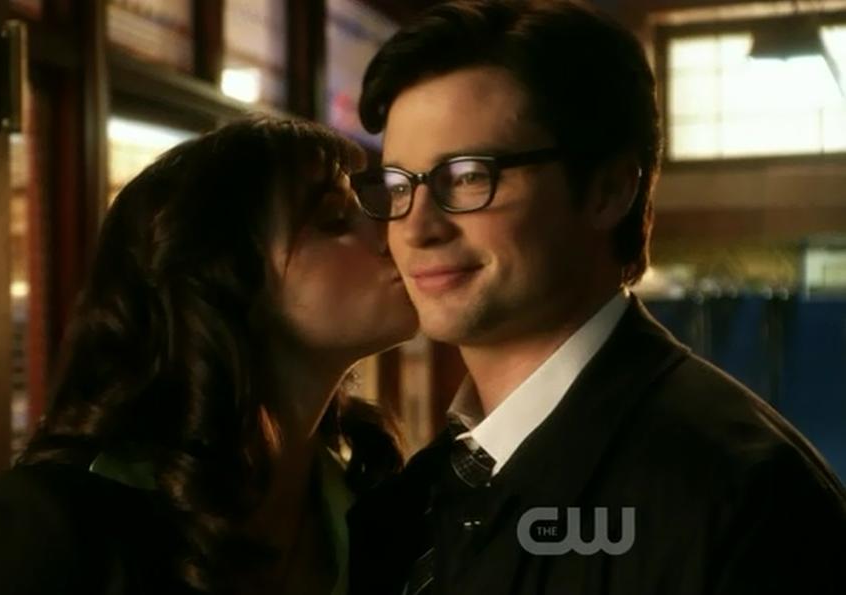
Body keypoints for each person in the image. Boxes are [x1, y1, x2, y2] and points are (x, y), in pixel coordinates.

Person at [346, 1, 846, 594]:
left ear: (608, 190)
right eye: (398, 185)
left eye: (470, 176)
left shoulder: (741, 496)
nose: (417, 228)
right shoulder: (418, 494)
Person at [0, 116, 418, 595]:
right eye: (334, 220)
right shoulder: (64, 522)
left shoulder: (378, 515)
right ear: (230, 283)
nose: (393, 233)